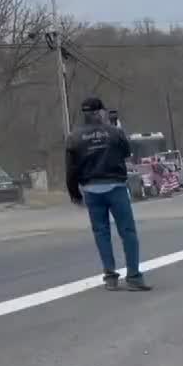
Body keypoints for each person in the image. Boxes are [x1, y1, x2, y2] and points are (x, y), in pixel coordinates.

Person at [67, 97, 151, 291]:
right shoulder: (114, 132)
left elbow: (70, 169)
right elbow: (127, 152)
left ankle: (111, 277)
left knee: (101, 233)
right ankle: (133, 277)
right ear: (99, 112)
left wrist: (75, 194)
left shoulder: (74, 137)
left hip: (91, 191)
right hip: (116, 187)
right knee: (127, 232)